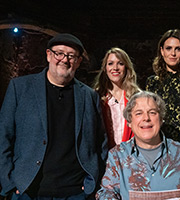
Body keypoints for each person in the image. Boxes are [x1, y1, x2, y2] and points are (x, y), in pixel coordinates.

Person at [0, 33, 107, 200]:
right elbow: (3, 136)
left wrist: (92, 181)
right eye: (59, 53)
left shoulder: (89, 95)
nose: (64, 59)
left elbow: (100, 141)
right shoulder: (20, 88)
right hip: (28, 191)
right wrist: (9, 183)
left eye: (71, 56)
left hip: (75, 193)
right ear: (49, 55)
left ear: (78, 62)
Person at [96, 91, 180, 200]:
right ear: (129, 122)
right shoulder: (117, 155)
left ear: (161, 119)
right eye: (139, 113)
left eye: (152, 112)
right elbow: (107, 192)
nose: (146, 118)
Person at [146, 29, 180, 148]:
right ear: (162, 51)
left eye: (178, 49)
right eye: (168, 48)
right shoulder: (152, 82)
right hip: (159, 145)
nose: (173, 53)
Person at [93, 47, 140, 150]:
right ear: (105, 68)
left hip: (131, 156)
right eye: (110, 63)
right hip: (105, 156)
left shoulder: (137, 97)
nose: (115, 68)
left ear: (126, 68)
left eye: (120, 63)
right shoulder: (96, 96)